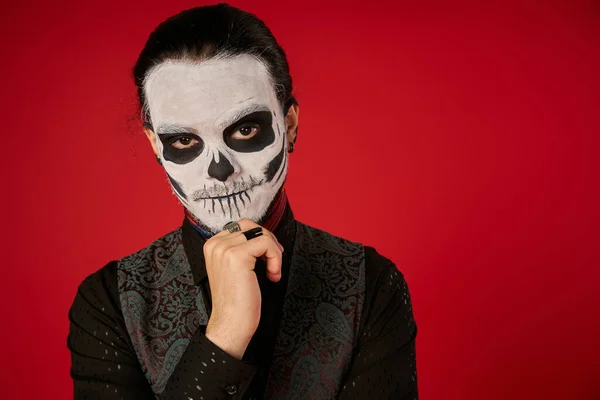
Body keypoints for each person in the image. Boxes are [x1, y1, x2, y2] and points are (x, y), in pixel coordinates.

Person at [67, 3, 418, 399]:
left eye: (246, 128)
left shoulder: (371, 285)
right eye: (184, 140)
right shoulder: (108, 303)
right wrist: (223, 337)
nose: (219, 170)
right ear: (155, 145)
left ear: (289, 125)